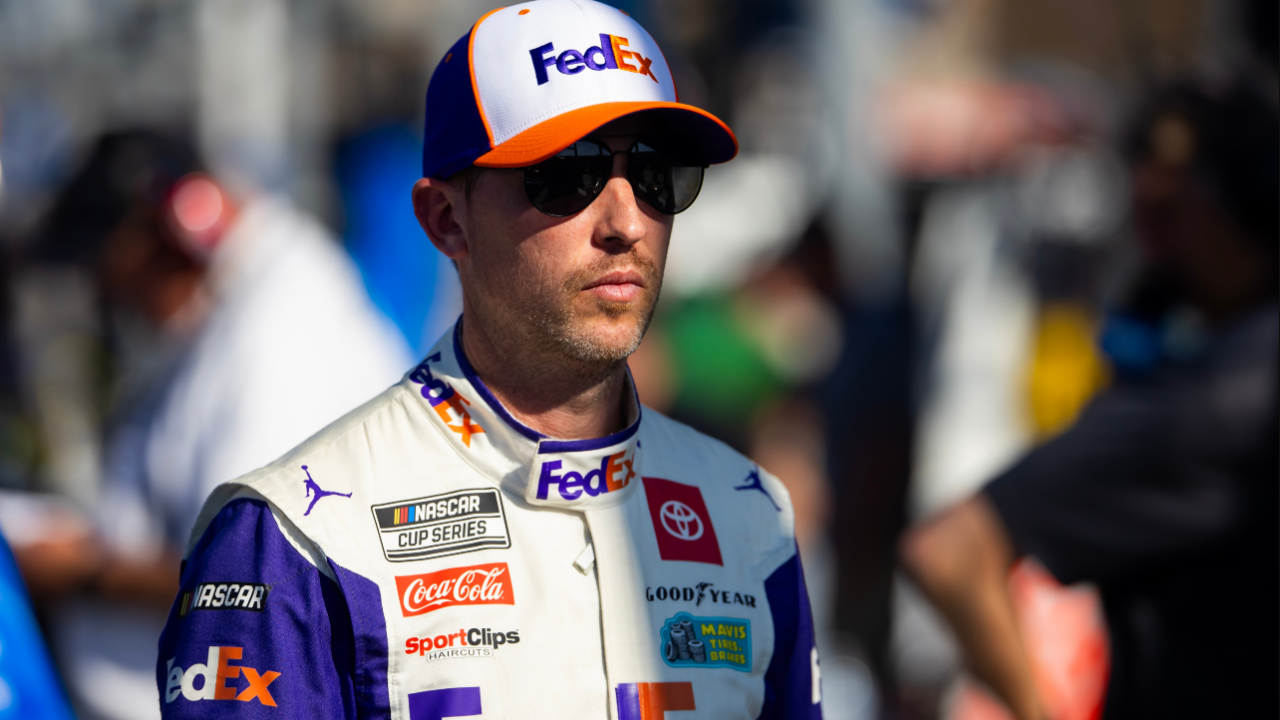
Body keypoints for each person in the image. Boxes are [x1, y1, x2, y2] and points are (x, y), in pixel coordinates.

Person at [155, 2, 822, 718]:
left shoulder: (751, 515)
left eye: (658, 173)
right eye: (568, 172)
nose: (628, 222)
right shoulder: (295, 536)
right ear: (447, 221)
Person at [900, 75, 1278, 720]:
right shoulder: (1215, 401)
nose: (1154, 232)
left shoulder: (1235, 387)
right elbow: (949, 551)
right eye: (1146, 200)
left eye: (1176, 201)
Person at [16, 130, 410, 720]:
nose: (115, 297)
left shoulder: (278, 340)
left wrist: (77, 571)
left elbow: (250, 579)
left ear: (180, 225)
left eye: (116, 270)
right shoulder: (241, 300)